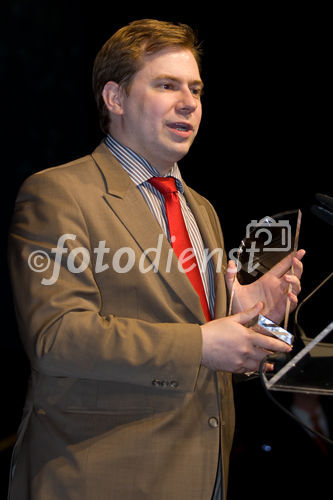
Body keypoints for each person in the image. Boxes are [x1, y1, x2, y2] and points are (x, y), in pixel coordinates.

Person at [8, 19, 304, 500]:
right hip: (100, 478)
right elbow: (56, 336)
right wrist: (202, 344)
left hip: (203, 474)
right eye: (167, 85)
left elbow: (202, 338)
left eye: (196, 88)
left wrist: (251, 318)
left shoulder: (200, 209)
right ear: (115, 98)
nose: (189, 102)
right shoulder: (59, 193)